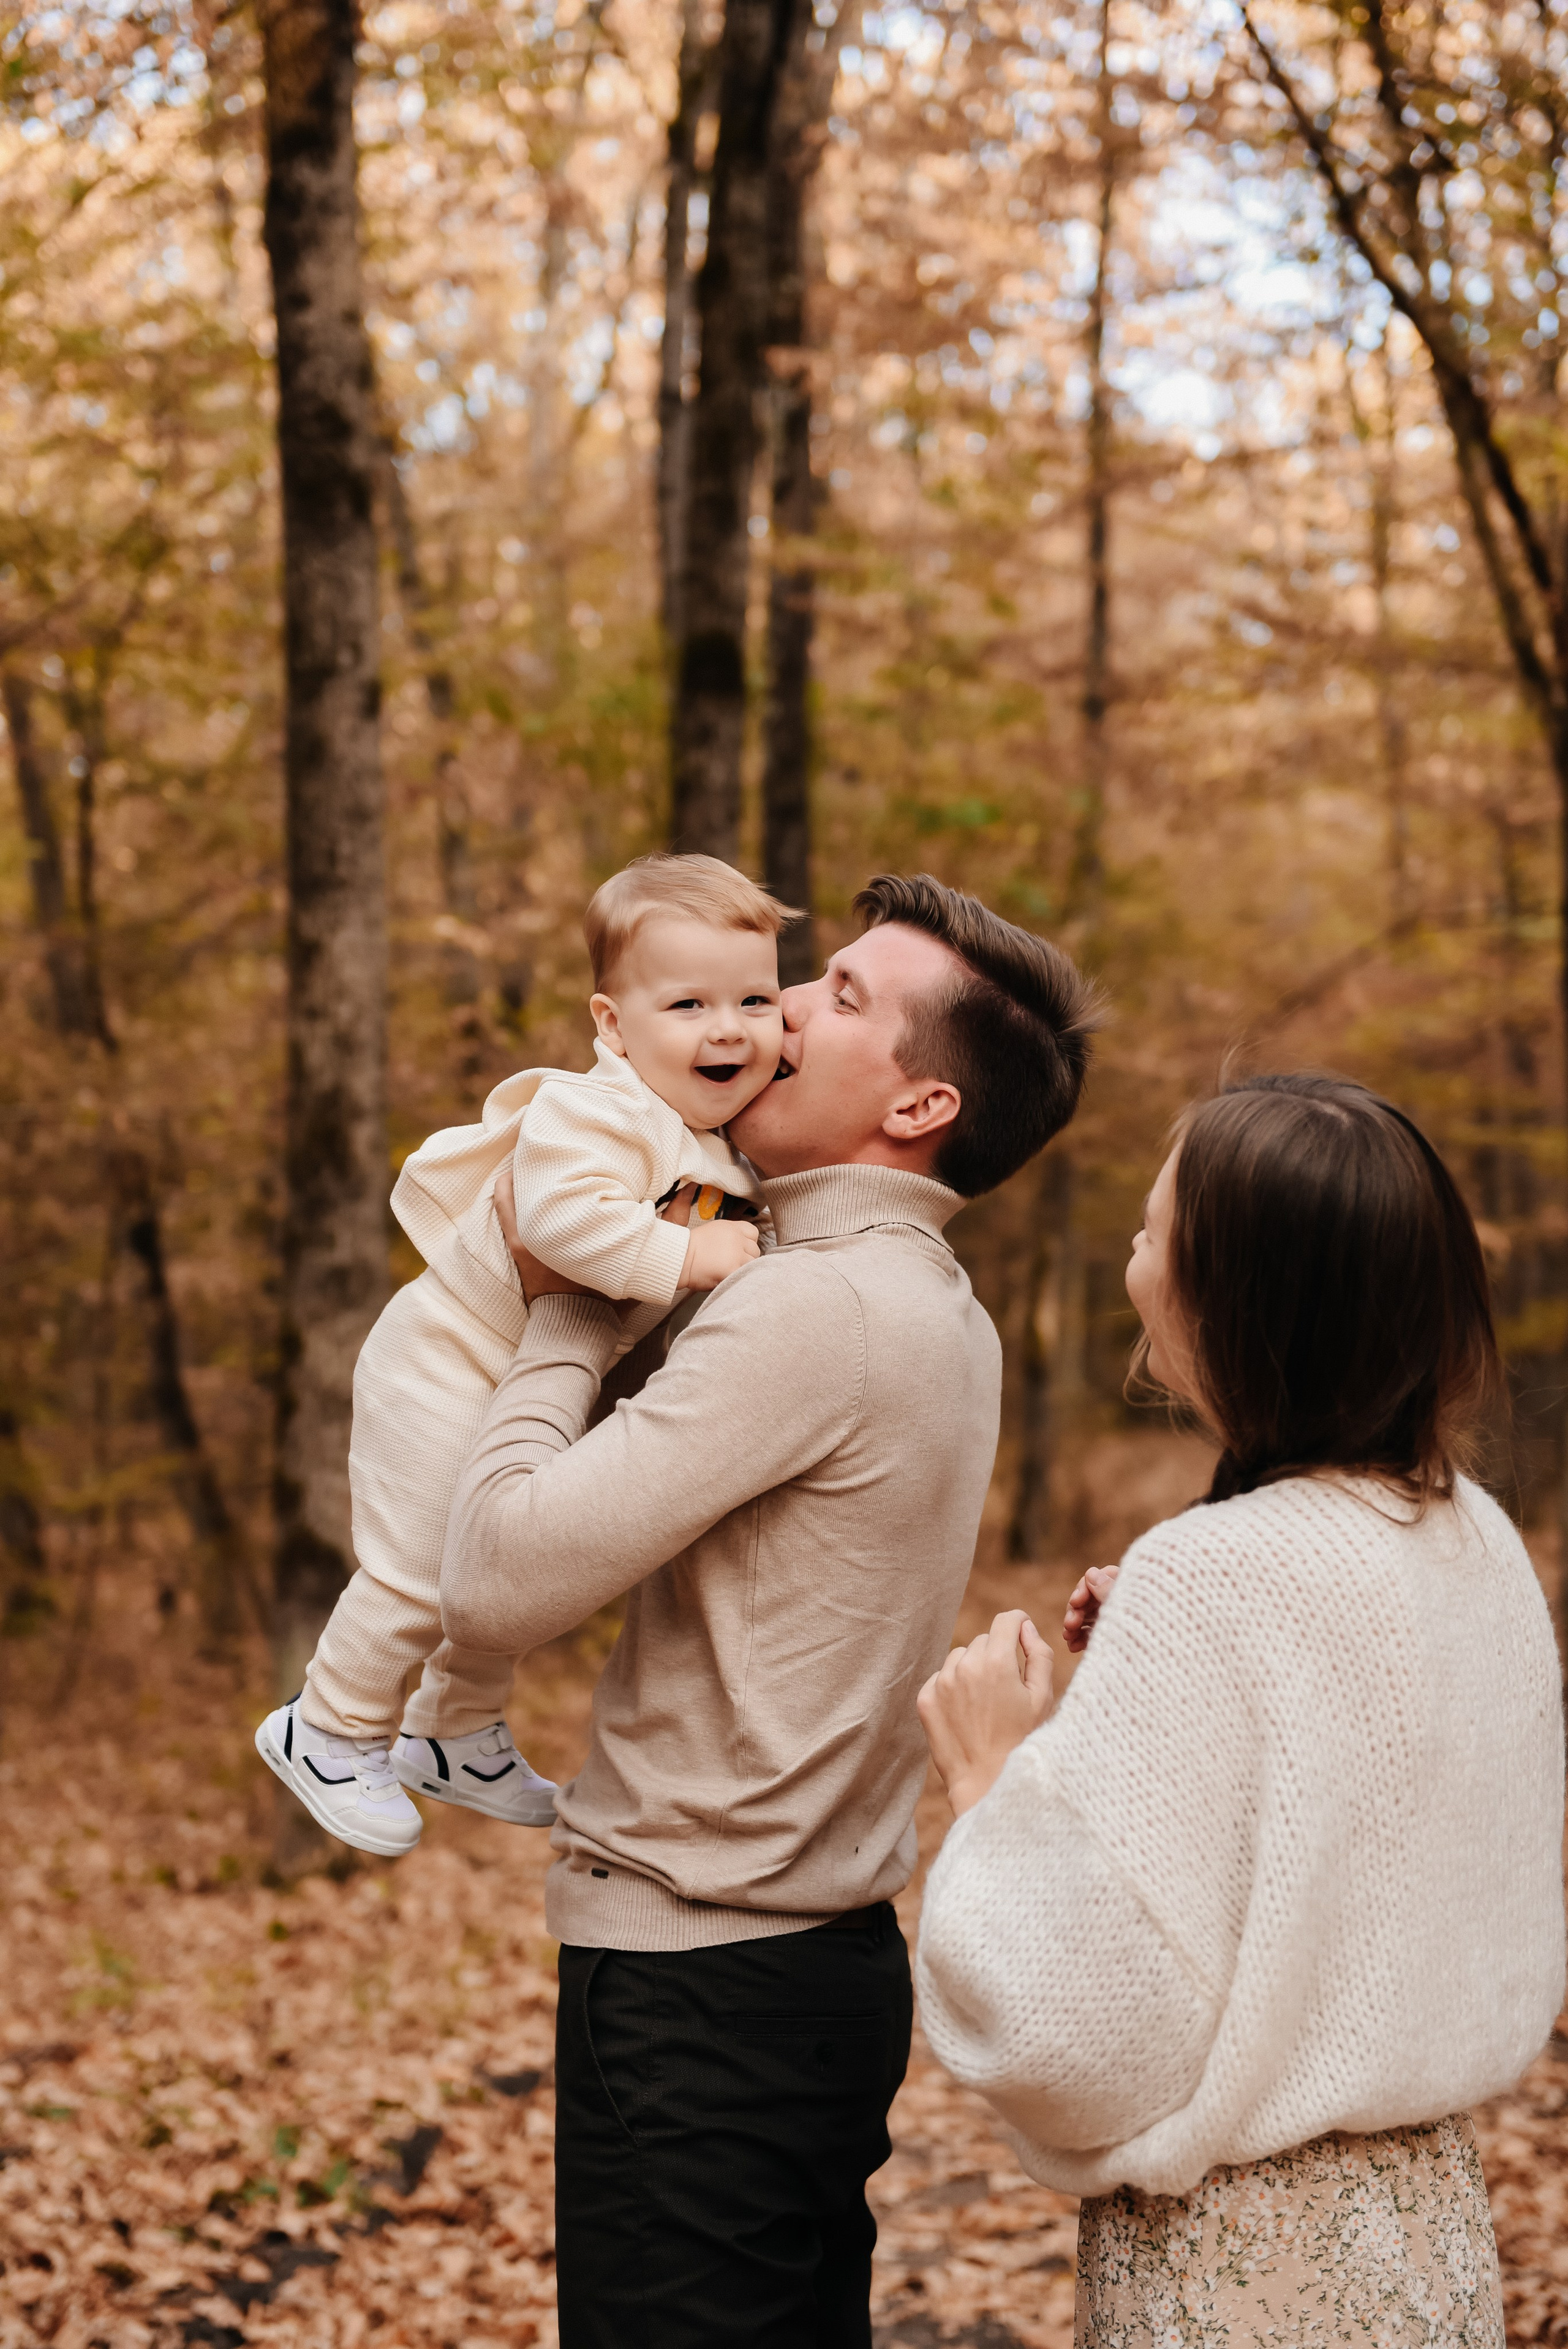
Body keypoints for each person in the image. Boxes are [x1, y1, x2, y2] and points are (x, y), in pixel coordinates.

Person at [439, 873, 1098, 2348]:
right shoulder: (930, 1303)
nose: (780, 1007)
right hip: (820, 1968)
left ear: (919, 1105)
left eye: (840, 996)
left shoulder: (808, 1310)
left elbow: (490, 1570)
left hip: (695, 1989)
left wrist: (573, 1304)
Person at [916, 1073, 1566, 2347]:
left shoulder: (1211, 1574)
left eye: (1155, 1232)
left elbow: (1068, 2030)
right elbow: (1359, 1819)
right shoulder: (1471, 1534)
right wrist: (1150, 1691)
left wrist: (990, 1781)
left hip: (1242, 2272)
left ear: (1235, 1296)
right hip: (1427, 2241)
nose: (1131, 1254)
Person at [257, 854, 794, 1858]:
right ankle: (326, 1725)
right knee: (420, 1570)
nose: (728, 1027)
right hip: (442, 1362)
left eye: (756, 999)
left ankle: (455, 1731)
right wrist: (688, 1254)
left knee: (502, 1563)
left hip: (520, 1380)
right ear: (611, 1025)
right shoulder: (597, 1111)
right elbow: (555, 1224)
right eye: (687, 1003)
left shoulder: (716, 1139)